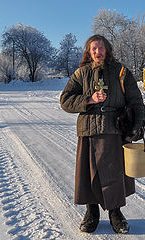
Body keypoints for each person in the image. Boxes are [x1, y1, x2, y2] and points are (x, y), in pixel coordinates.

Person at [60, 34, 144, 234]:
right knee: (89, 174)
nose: (98, 52)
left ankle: (116, 213)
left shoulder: (121, 72)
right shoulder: (81, 73)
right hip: (88, 131)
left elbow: (136, 101)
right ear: (88, 52)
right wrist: (88, 99)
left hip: (113, 131)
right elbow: (65, 100)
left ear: (108, 49)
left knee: (114, 174)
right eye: (94, 49)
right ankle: (92, 213)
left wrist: (136, 127)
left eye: (101, 48)